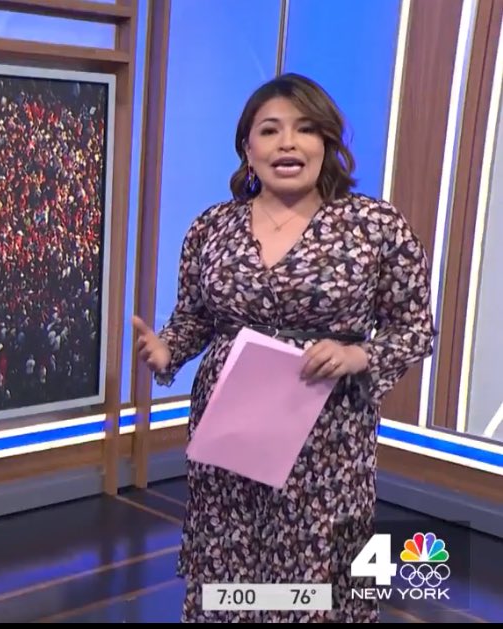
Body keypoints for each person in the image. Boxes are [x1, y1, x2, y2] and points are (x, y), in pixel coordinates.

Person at [131, 73, 435, 623]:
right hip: (231, 433)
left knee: (319, 581)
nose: (288, 143)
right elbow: (195, 317)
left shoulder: (374, 226)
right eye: (270, 131)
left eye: (305, 129)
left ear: (328, 143)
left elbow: (414, 328)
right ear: (248, 147)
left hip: (327, 438)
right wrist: (167, 349)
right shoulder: (211, 227)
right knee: (229, 569)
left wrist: (356, 356)